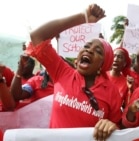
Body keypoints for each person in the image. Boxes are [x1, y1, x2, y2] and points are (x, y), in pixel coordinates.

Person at [25, 4, 122, 141]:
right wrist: (83, 17)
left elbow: (118, 128)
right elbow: (37, 36)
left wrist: (111, 126)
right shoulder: (62, 71)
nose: (89, 50)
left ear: (103, 65)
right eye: (87, 46)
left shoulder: (111, 92)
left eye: (98, 51)